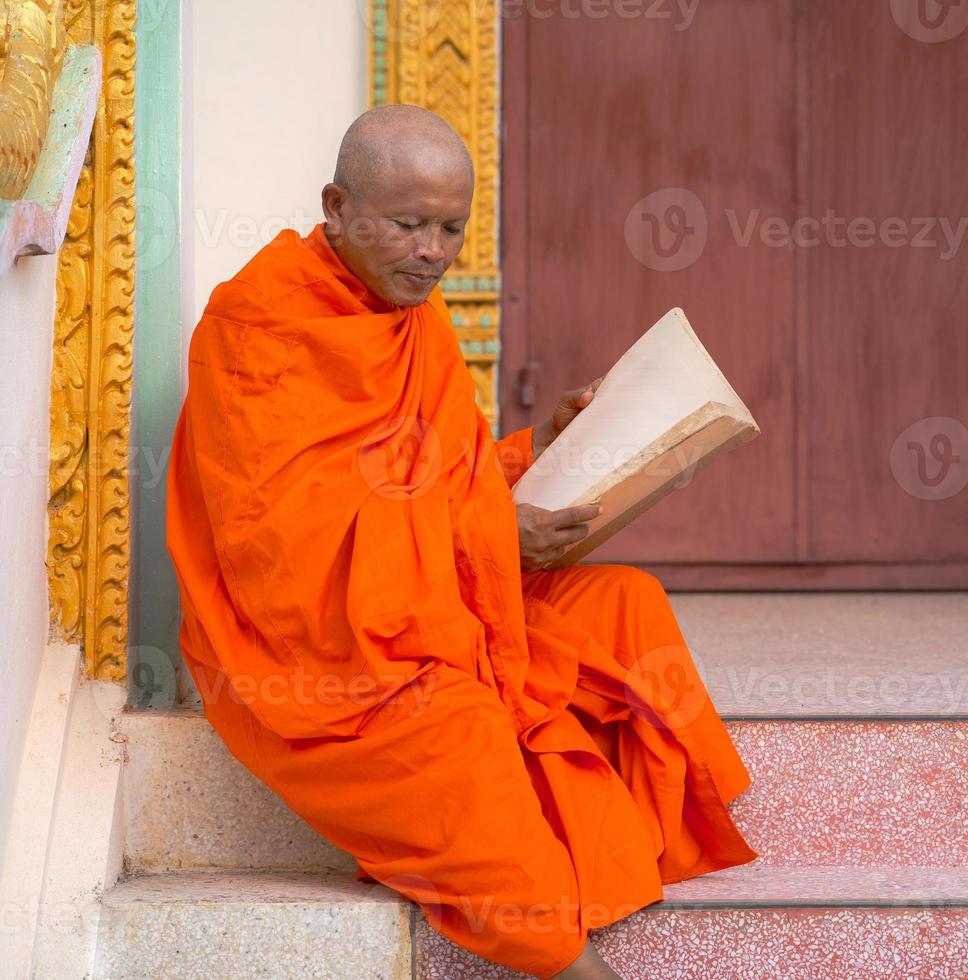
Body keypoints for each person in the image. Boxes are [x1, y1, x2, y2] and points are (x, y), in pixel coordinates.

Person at [164, 104, 758, 979]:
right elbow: (284, 554)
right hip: (317, 653)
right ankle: (567, 950)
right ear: (336, 206)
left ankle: (597, 863)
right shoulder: (256, 328)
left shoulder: (413, 318)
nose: (432, 252)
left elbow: (439, 481)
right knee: (459, 727)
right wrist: (490, 534)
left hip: (426, 595)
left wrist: (541, 454)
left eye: (451, 228)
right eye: (407, 225)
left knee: (624, 601)